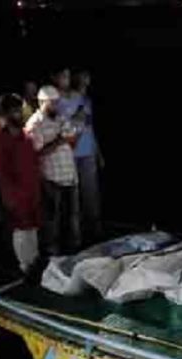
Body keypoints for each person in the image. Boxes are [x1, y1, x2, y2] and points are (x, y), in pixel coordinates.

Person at [0, 94, 42, 275]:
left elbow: (33, 162)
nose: (19, 114)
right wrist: (9, 196)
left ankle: (34, 261)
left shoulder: (25, 135)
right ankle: (25, 266)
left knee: (33, 226)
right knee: (21, 228)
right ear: (5, 114)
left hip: (32, 189)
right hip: (15, 193)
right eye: (14, 111)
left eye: (20, 110)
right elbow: (0, 171)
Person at [26, 85, 79, 255]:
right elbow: (38, 152)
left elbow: (71, 142)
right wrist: (60, 140)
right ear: (42, 102)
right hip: (51, 178)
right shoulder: (35, 123)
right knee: (52, 219)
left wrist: (71, 138)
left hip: (69, 175)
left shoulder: (61, 118)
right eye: (53, 102)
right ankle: (52, 254)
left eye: (57, 102)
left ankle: (73, 251)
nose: (57, 105)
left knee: (71, 216)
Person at [71, 69, 103, 242]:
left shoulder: (87, 100)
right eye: (82, 76)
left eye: (87, 76)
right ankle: (77, 237)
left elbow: (90, 128)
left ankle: (95, 234)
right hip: (72, 154)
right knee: (75, 198)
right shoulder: (67, 99)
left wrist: (98, 152)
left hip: (88, 151)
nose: (86, 79)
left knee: (91, 194)